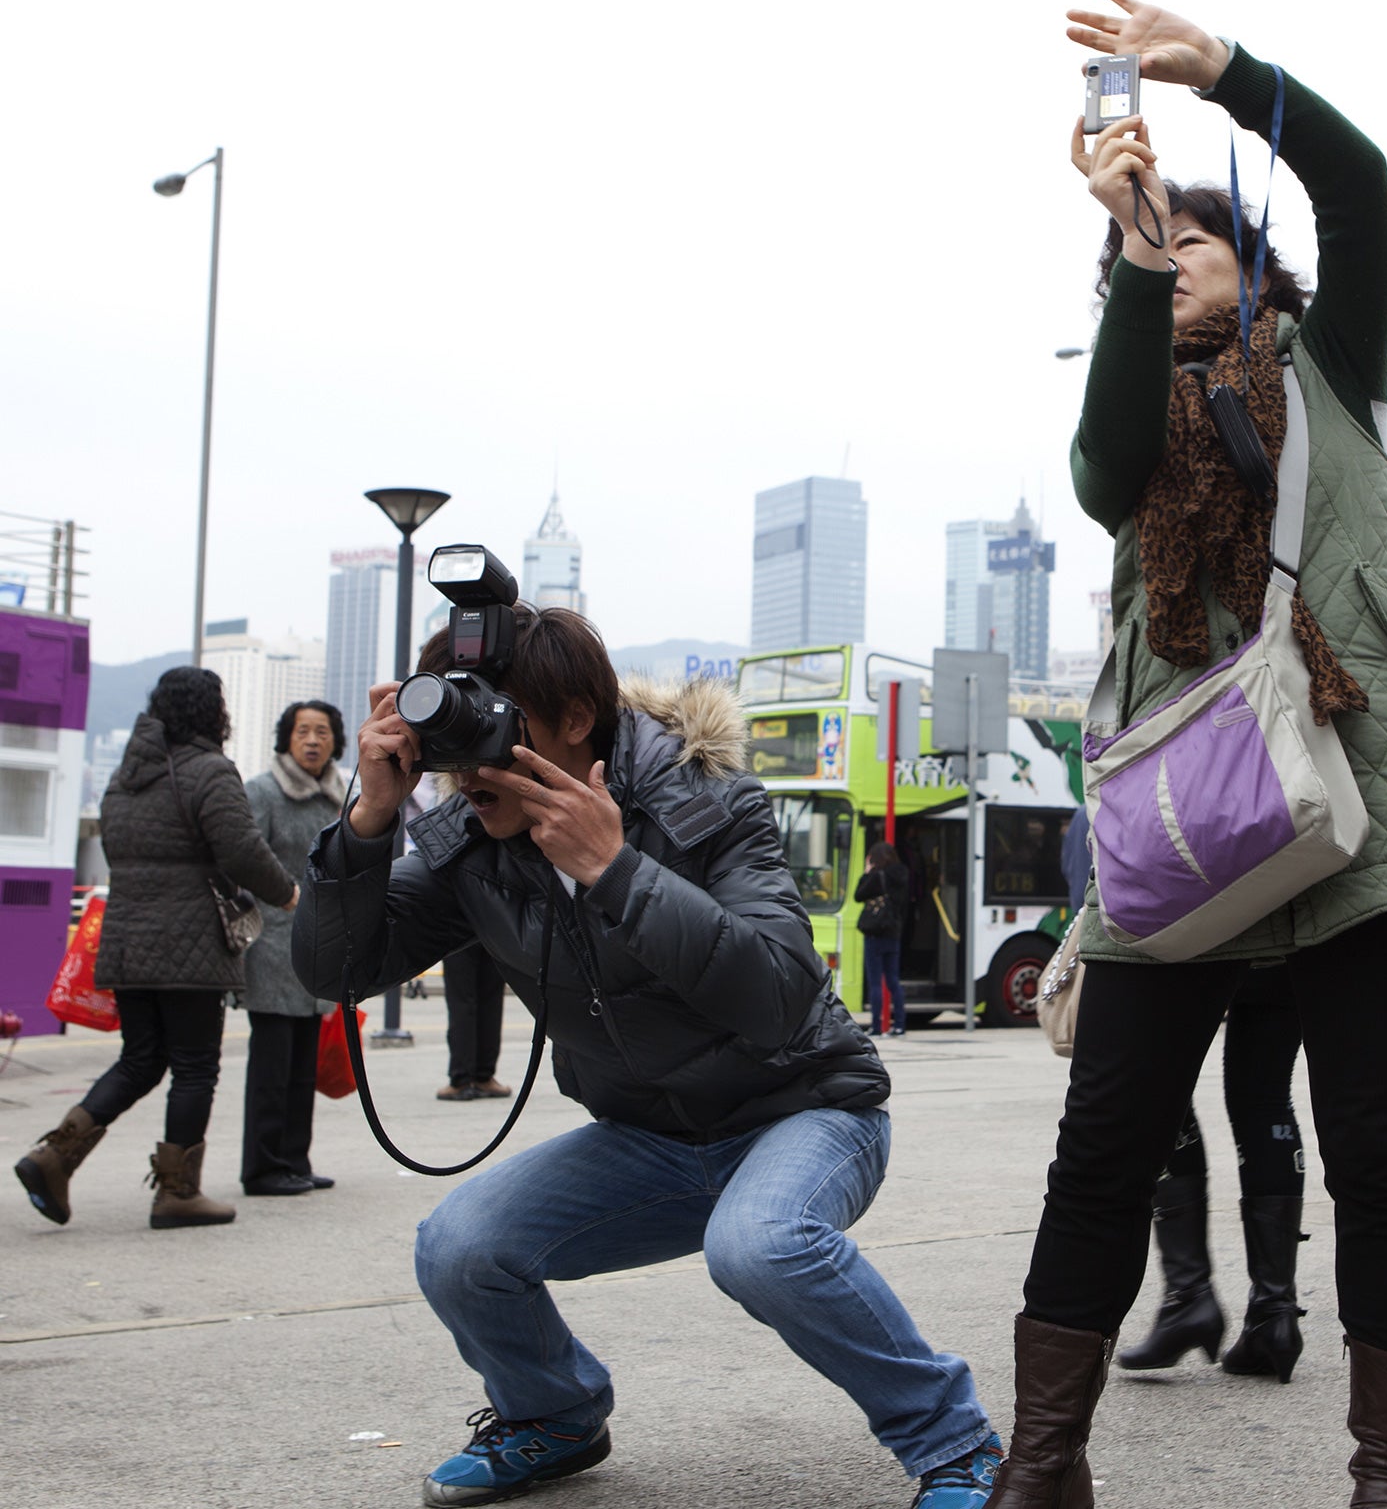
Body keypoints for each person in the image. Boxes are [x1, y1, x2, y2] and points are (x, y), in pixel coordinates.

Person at [986, 0, 1387, 1509]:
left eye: (1199, 241)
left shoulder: (1330, 363)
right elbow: (1102, 472)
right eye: (1149, 259)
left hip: (1357, 802)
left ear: (1258, 268)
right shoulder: (1133, 413)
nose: (1172, 258)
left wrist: (1221, 72)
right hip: (1187, 820)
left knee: (1378, 1152)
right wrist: (1136, 252)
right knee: (1105, 1144)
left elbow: (1361, 183)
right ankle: (1044, 1461)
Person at [294, 605, 1002, 1509]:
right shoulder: (473, 842)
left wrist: (616, 870)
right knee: (457, 1246)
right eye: (455, 736)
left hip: (806, 1110)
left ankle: (958, 1446)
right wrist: (368, 820)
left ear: (575, 720)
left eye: (495, 731)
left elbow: (780, 991)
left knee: (760, 1245)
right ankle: (553, 1414)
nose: (469, 769)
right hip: (651, 1137)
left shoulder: (704, 801)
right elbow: (335, 969)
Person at [14, 667, 299, 1230]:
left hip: (128, 937)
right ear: (212, 711)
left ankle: (54, 1154)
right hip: (189, 943)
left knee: (142, 1059)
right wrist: (287, 894)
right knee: (195, 1068)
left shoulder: (125, 776)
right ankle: (177, 1192)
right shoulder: (210, 770)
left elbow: (118, 848)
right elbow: (241, 849)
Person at [1115, 967, 1306, 1382]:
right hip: (1285, 942)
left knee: (1159, 1086)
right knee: (1266, 1099)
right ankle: (1274, 1312)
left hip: (1196, 942)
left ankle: (1188, 1296)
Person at [238, 699, 350, 1196]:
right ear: (286, 738)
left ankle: (295, 1161)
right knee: (271, 1066)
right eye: (302, 731)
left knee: (304, 1065)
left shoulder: (340, 793)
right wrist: (283, 897)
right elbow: (244, 860)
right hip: (271, 944)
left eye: (322, 732)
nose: (312, 741)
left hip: (317, 944)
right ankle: (262, 1168)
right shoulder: (262, 791)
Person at [438, 943, 510, 1101]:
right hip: (493, 934)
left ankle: (461, 1079)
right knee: (491, 1001)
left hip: (458, 935)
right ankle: (484, 1076)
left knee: (461, 1002)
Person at [855, 841, 910, 1036]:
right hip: (893, 933)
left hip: (875, 933)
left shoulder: (877, 877)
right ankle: (900, 1025)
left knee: (876, 982)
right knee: (894, 980)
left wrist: (867, 873)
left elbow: (858, 895)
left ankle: (876, 1026)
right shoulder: (902, 875)